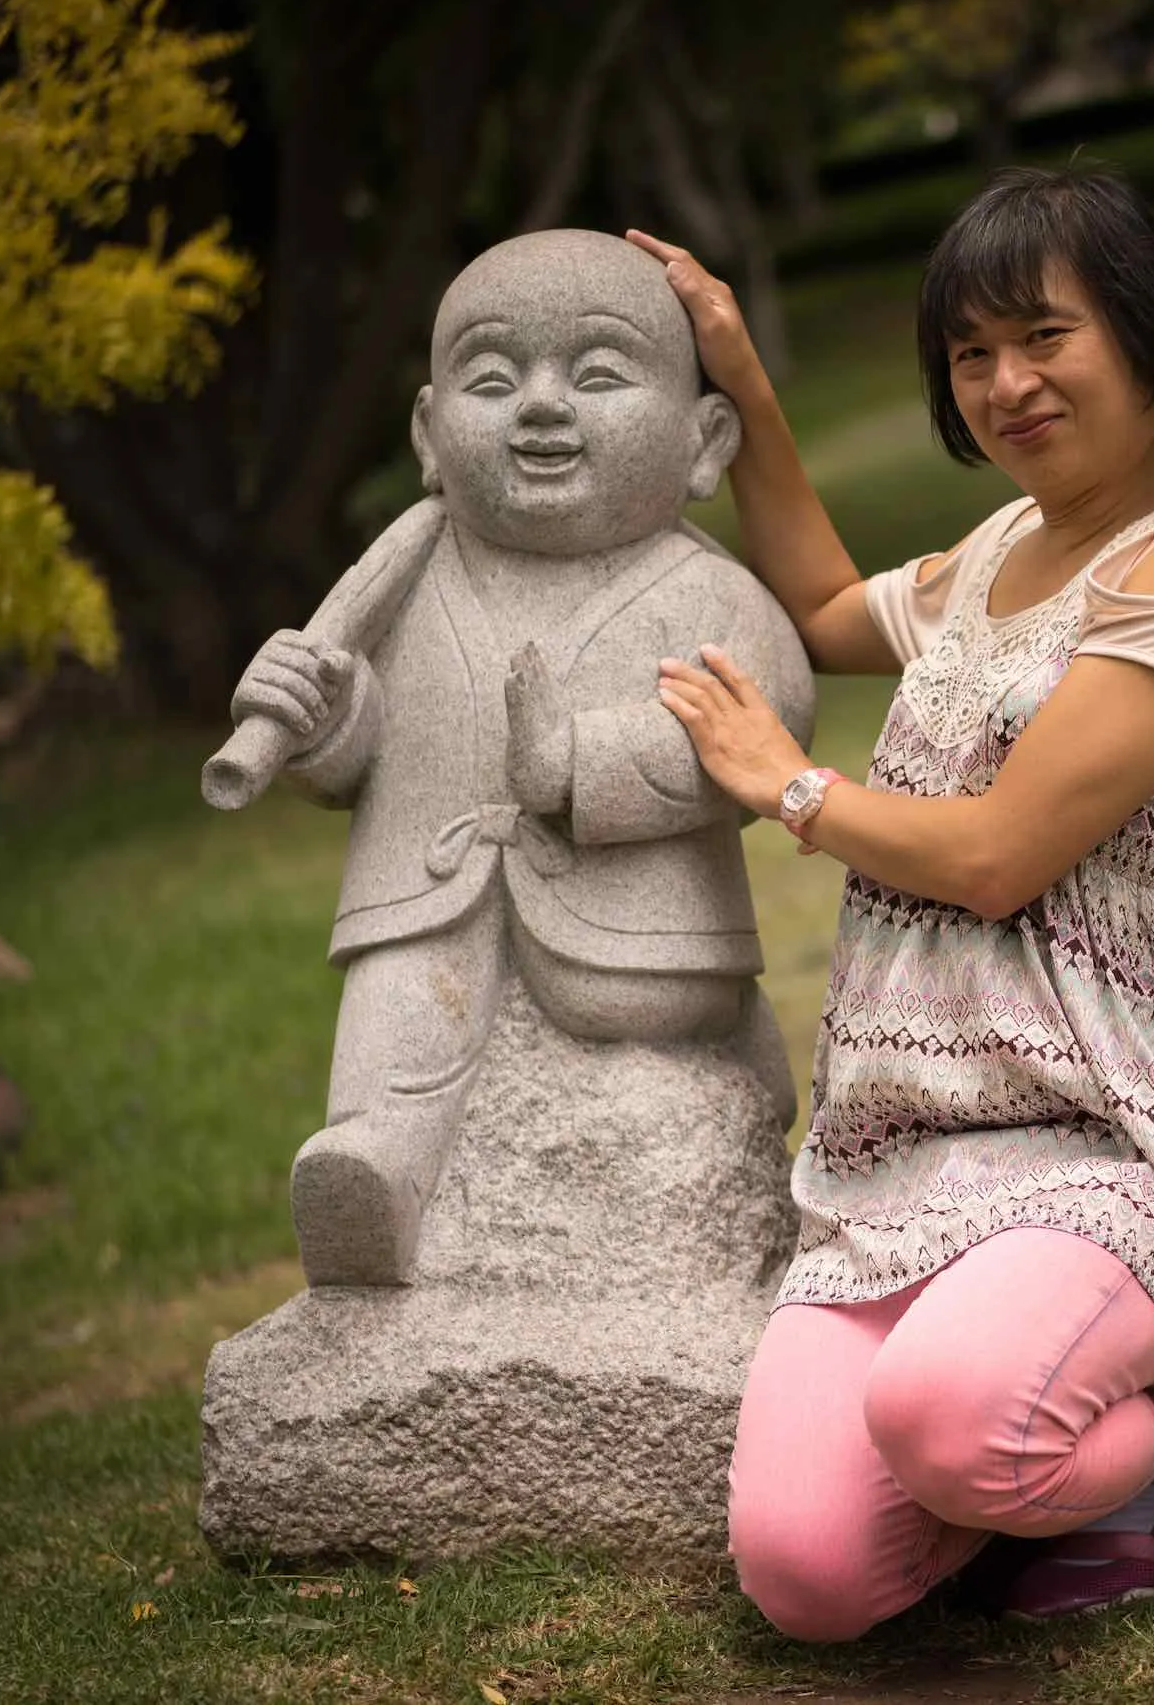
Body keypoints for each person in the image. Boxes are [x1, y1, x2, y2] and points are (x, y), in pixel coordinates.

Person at [626, 167, 1154, 1636]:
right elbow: (817, 606)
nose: (1008, 384)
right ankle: (1018, 1476)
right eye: (970, 353)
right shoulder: (999, 552)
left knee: (950, 1417)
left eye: (1045, 337)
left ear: (1142, 333)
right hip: (912, 1152)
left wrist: (789, 786)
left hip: (1122, 1140)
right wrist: (737, 370)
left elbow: (1002, 853)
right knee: (806, 1578)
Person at [223, 230, 810, 1287]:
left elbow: (766, 725)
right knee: (398, 999)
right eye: (492, 379)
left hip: (638, 939)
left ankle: (729, 1056)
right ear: (428, 431)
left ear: (704, 439)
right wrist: (320, 721)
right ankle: (375, 1167)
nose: (541, 406)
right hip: (428, 897)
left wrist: (582, 760)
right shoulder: (408, 577)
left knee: (661, 1023)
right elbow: (367, 745)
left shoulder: (705, 593)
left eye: (595, 375)